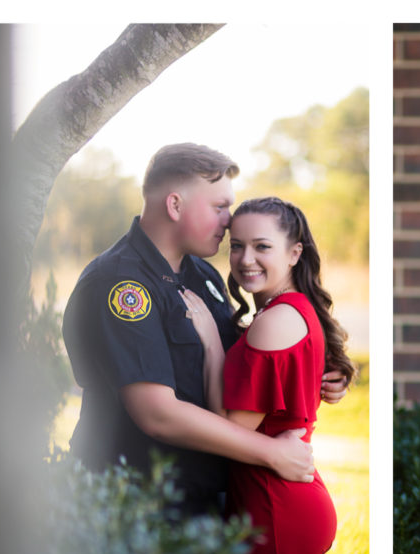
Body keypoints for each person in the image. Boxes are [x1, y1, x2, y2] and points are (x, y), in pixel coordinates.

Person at [62, 144, 347, 516]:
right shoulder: (120, 284)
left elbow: (244, 363)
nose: (229, 220)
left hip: (203, 502)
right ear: (175, 205)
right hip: (136, 506)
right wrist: (273, 453)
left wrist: (315, 371)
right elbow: (157, 413)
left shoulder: (203, 274)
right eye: (219, 207)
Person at [180, 196, 356, 554]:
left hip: (276, 506)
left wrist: (209, 342)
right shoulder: (288, 310)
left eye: (262, 246)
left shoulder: (276, 320)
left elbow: (231, 427)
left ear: (295, 252)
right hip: (280, 496)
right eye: (236, 246)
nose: (245, 259)